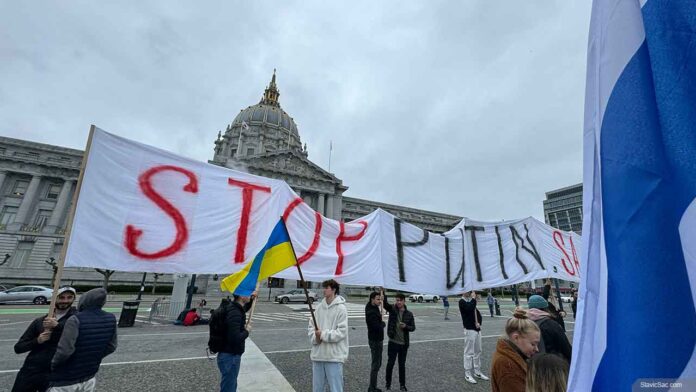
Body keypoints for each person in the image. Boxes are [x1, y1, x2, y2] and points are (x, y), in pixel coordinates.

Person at [49, 288, 117, 392]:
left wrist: (53, 364)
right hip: (89, 374)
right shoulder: (111, 318)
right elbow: (112, 346)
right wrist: (94, 356)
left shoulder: (75, 319)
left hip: (66, 377)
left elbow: (65, 351)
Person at [12, 286, 78, 392]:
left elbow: (78, 339)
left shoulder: (77, 320)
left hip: (57, 373)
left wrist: (58, 327)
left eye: (69, 297)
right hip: (32, 370)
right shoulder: (40, 321)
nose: (65, 301)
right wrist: (37, 340)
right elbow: (18, 348)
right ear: (54, 299)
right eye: (61, 297)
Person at [308, 279, 348, 392]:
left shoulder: (341, 309)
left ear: (334, 289)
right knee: (317, 388)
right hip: (318, 355)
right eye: (323, 287)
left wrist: (323, 334)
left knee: (336, 388)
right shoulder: (319, 308)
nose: (324, 290)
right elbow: (311, 327)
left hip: (334, 356)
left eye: (326, 288)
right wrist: (315, 337)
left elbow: (341, 332)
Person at [491, 309, 541, 392]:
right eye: (533, 344)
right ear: (516, 338)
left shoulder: (509, 357)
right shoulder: (507, 366)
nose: (537, 349)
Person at [216, 291, 256, 392]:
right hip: (230, 356)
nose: (249, 294)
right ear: (242, 296)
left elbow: (243, 309)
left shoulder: (234, 307)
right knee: (229, 387)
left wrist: (251, 299)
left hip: (228, 354)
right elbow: (235, 338)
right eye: (248, 293)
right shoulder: (235, 312)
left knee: (230, 384)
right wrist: (247, 331)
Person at [383, 293, 415, 391]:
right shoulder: (393, 309)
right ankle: (388, 384)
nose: (398, 302)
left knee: (402, 365)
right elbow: (385, 304)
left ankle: (402, 385)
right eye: (397, 300)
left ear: (404, 301)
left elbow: (413, 328)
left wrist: (406, 326)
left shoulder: (409, 314)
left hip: (403, 344)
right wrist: (383, 292)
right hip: (393, 342)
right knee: (390, 364)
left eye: (400, 300)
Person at [526, 295, 572, 363]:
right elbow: (565, 347)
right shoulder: (551, 324)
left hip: (533, 364)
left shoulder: (523, 322)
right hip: (552, 364)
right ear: (546, 308)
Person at [365, 291, 385, 392]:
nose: (380, 301)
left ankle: (373, 386)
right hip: (376, 340)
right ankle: (372, 388)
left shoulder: (371, 306)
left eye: (380, 299)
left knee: (377, 363)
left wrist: (382, 295)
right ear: (372, 299)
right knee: (376, 364)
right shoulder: (371, 311)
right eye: (378, 299)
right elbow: (376, 327)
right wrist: (383, 324)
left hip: (376, 339)